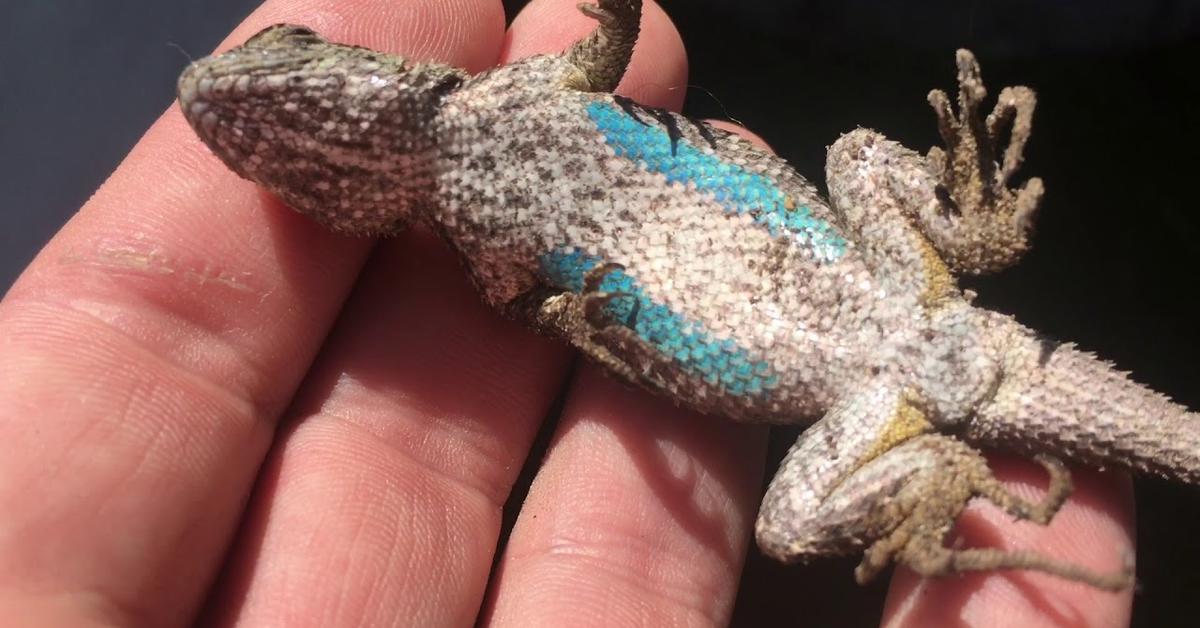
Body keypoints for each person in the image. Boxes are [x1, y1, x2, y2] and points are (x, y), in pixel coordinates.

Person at [0, 0, 1136, 625]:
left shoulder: (484, 260)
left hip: (869, 380)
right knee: (853, 154)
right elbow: (608, 38)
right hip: (884, 311)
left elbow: (564, 305)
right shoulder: (517, 113)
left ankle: (932, 466)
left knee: (789, 524)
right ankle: (966, 249)